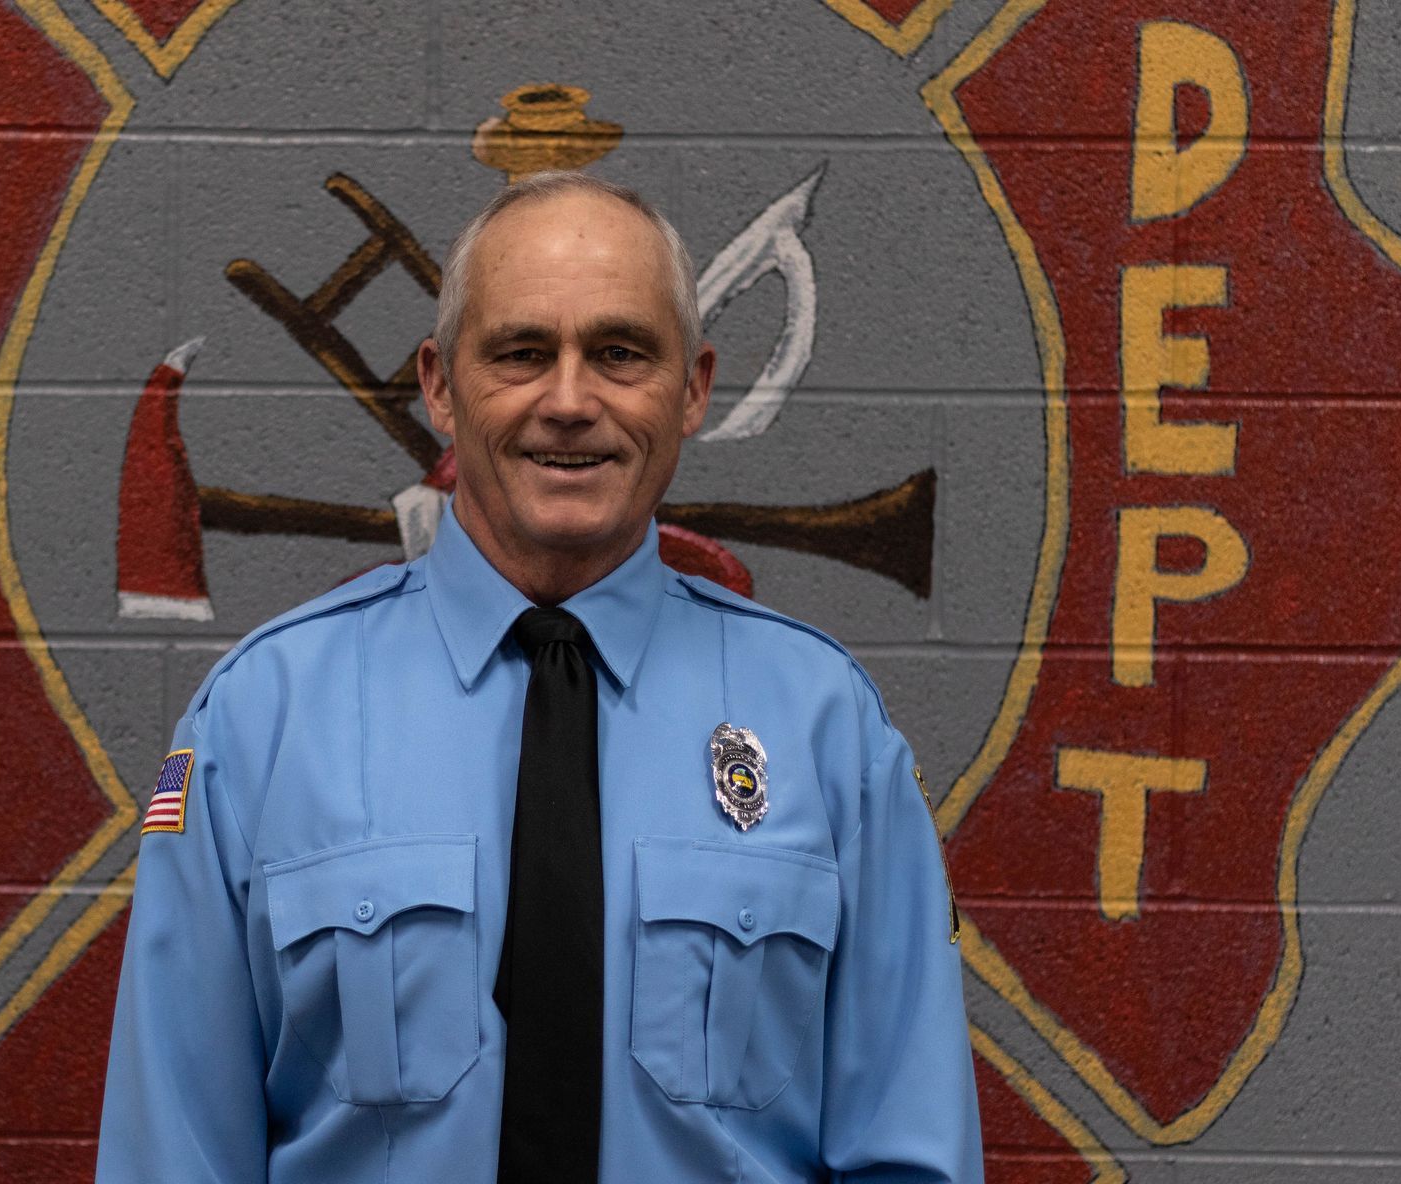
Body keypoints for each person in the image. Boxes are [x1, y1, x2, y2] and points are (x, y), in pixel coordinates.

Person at [96, 171, 983, 1182]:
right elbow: (173, 1155)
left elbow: (911, 1158)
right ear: (438, 384)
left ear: (693, 388)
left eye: (620, 353)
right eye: (522, 352)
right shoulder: (261, 721)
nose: (570, 400)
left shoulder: (831, 732)